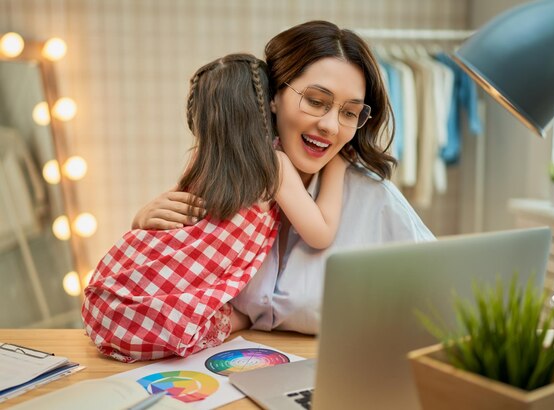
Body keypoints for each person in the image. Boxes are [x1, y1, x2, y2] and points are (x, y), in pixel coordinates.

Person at [100, 20, 435, 357]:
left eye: (349, 113)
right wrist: (144, 223)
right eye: (316, 101)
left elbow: (440, 305)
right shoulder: (231, 176)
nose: (331, 126)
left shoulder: (375, 202)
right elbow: (183, 280)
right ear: (273, 96)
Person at [82, 53, 349, 362]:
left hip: (108, 299)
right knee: (241, 315)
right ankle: (243, 319)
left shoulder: (198, 159)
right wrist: (338, 167)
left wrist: (139, 221)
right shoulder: (274, 167)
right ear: (270, 104)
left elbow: (177, 225)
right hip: (166, 320)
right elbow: (321, 233)